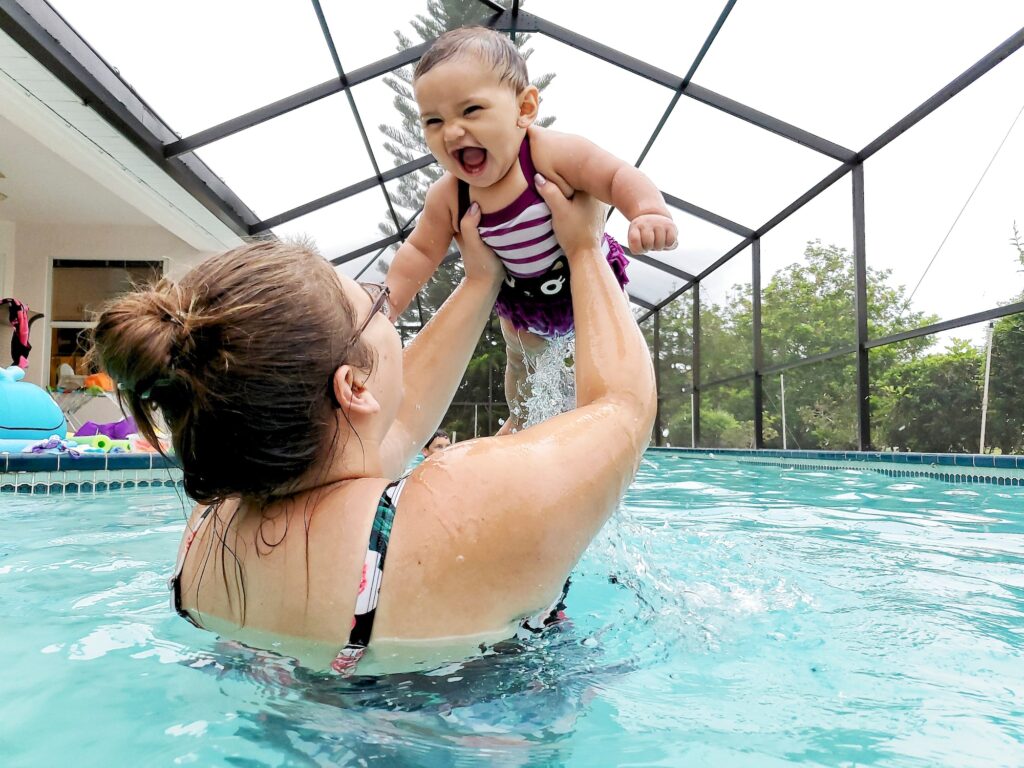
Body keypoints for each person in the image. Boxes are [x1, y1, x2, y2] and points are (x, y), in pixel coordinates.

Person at [89, 178, 655, 675]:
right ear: (352, 387)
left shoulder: (209, 526)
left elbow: (389, 423)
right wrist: (585, 250)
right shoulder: (458, 504)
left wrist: (482, 281)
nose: (390, 314)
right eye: (378, 305)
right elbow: (623, 408)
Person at [385, 25, 676, 433]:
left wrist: (647, 211)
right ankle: (521, 416)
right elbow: (419, 251)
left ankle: (596, 412)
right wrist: (389, 304)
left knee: (602, 347)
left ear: (524, 109)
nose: (451, 131)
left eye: (471, 111)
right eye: (433, 121)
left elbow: (614, 176)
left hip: (584, 283)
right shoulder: (449, 196)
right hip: (522, 299)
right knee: (520, 359)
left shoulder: (549, 154)